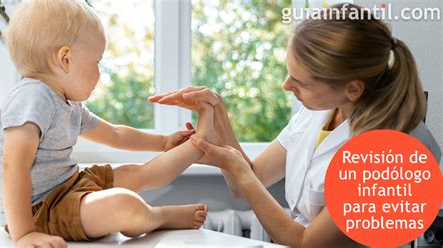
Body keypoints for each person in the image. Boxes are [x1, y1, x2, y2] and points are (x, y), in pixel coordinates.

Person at [149, 3, 441, 247]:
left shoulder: (398, 153)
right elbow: (248, 183)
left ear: (353, 89)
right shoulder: (320, 109)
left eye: (300, 82)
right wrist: (216, 112)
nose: (286, 85)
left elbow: (306, 242)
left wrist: (235, 165)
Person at [0, 1, 215, 247]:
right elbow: (13, 167)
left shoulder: (68, 104)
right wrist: (25, 233)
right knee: (123, 203)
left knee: (134, 174)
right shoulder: (31, 98)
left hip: (67, 187)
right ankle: (160, 216)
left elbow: (116, 134)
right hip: (38, 211)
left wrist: (163, 142)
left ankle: (199, 142)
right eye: (97, 62)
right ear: (65, 59)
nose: (100, 74)